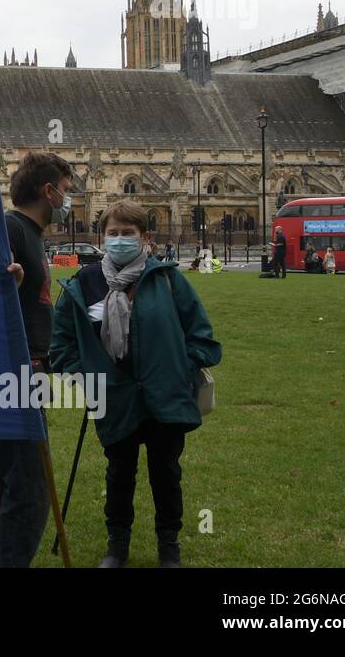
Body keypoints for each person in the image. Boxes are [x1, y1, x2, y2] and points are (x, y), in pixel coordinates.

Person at [51, 199, 222, 568]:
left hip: (164, 394)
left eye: (127, 233)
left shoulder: (168, 280)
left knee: (166, 474)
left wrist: (179, 368)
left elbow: (202, 337)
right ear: (102, 237)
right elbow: (61, 343)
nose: (119, 239)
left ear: (145, 236)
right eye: (112, 233)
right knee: (119, 474)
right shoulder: (85, 283)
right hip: (113, 396)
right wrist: (84, 375)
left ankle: (169, 548)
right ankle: (117, 548)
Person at [0, 151, 73, 568]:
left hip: (30, 369)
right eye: (65, 190)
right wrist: (4, 280)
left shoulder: (30, 233)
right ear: (48, 191)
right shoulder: (11, 227)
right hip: (15, 370)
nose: (67, 200)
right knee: (30, 487)